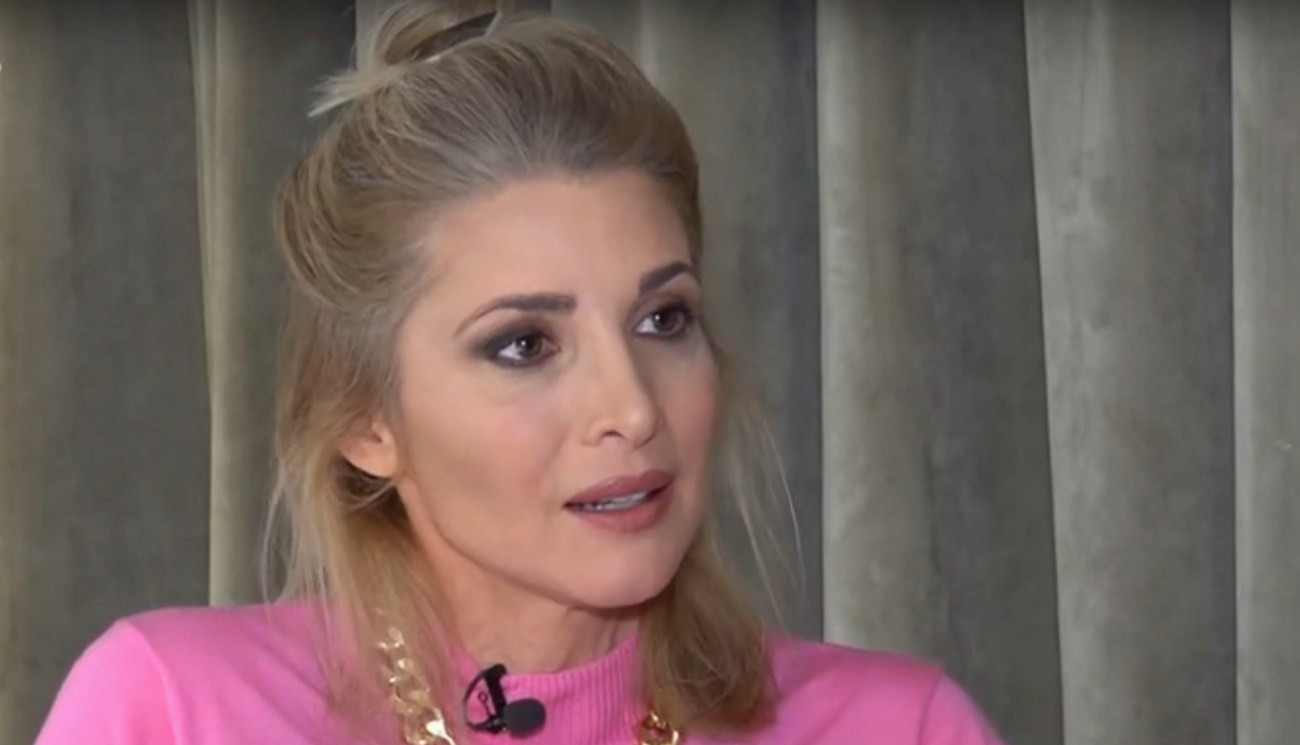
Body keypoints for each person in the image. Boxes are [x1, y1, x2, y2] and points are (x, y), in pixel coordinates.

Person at [35, 2, 1006, 743]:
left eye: (662, 319)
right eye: (524, 345)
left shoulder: (902, 726)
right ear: (367, 420)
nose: (631, 406)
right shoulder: (171, 708)